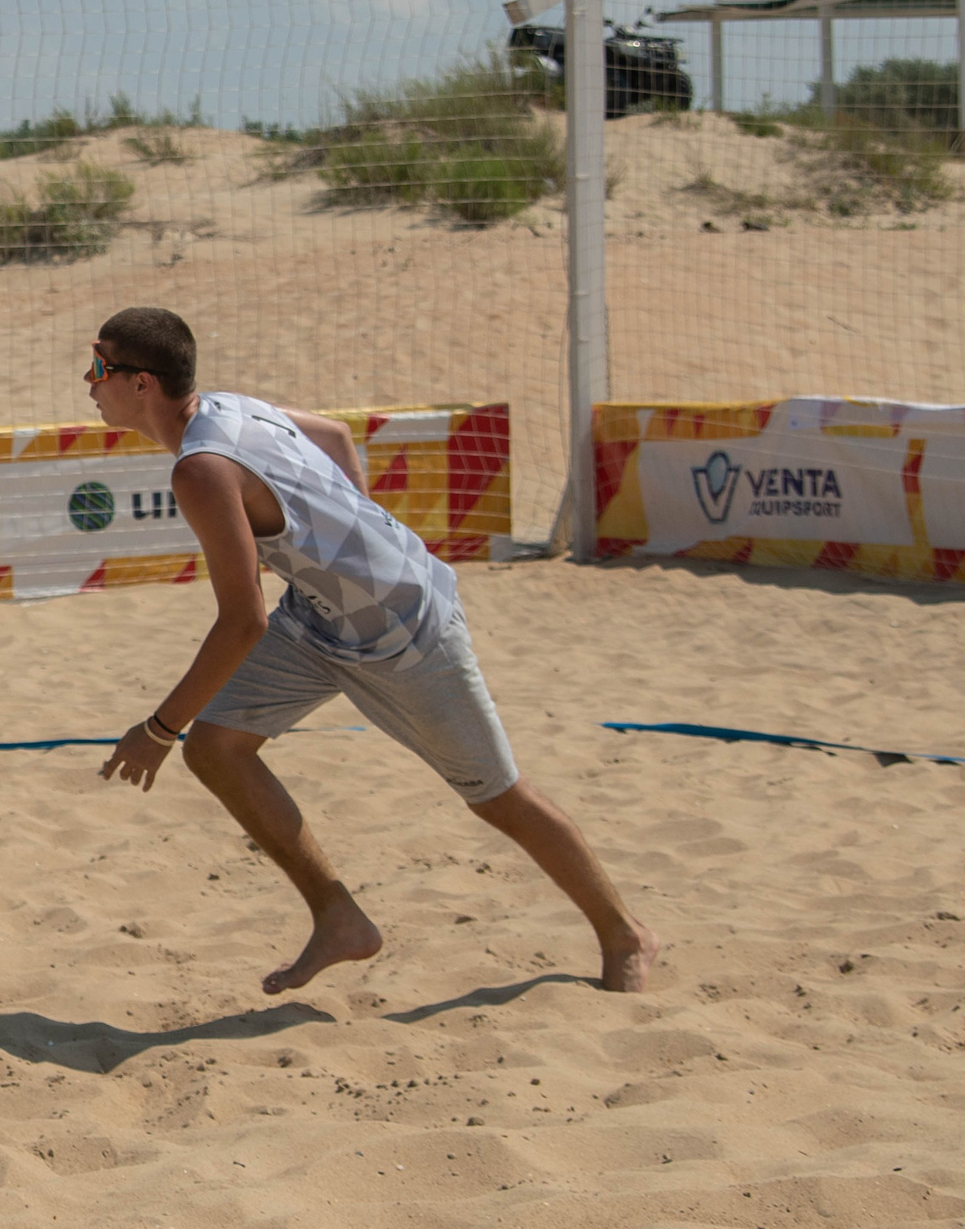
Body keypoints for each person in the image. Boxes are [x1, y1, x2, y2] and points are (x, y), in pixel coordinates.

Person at [86, 307, 658, 994]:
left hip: (406, 631)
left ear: (142, 382)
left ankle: (624, 930)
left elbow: (242, 622)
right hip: (322, 619)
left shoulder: (201, 470)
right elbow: (333, 434)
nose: (87, 381)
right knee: (216, 747)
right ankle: (339, 918)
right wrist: (351, 533)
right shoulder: (225, 407)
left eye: (97, 367)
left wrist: (156, 730)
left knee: (499, 797)